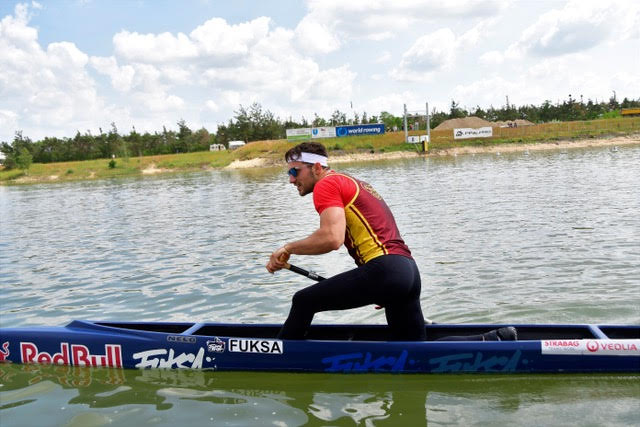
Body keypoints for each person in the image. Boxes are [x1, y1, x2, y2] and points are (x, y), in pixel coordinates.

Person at [266, 142, 516, 342]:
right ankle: (494, 340)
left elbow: (332, 239)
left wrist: (287, 248)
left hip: (387, 272)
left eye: (294, 171)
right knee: (412, 349)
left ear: (317, 167)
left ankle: (274, 359)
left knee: (303, 301)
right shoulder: (355, 182)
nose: (290, 179)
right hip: (407, 272)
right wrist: (380, 286)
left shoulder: (327, 184)